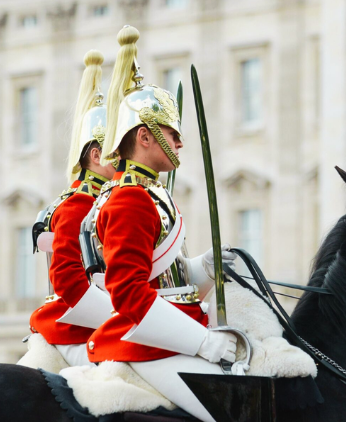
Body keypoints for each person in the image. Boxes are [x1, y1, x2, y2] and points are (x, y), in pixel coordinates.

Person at [81, 26, 236, 422]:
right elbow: (130, 294)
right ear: (146, 138)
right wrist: (203, 342)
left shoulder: (151, 193)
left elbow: (169, 277)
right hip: (149, 342)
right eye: (173, 133)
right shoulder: (131, 198)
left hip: (171, 330)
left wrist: (211, 265)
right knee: (239, 408)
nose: (181, 143)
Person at [28, 50, 116, 368]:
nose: (123, 162)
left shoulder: (100, 201)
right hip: (75, 328)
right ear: (95, 156)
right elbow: (67, 279)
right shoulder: (80, 204)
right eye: (115, 154)